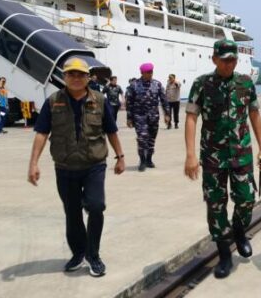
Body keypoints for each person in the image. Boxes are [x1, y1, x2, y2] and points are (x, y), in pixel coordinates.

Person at [26, 57, 126, 277]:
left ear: (88, 78)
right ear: (64, 77)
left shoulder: (99, 100)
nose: (76, 78)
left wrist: (120, 156)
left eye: (81, 74)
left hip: (94, 165)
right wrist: (33, 163)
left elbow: (111, 130)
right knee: (72, 213)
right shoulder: (53, 102)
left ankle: (94, 255)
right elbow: (42, 133)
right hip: (65, 167)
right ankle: (79, 253)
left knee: (96, 206)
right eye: (71, 74)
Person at [184, 39, 261, 279]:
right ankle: (224, 253)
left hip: (241, 154)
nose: (229, 64)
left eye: (233, 59)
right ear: (214, 59)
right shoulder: (202, 84)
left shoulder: (245, 83)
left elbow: (254, 114)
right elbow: (191, 118)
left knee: (246, 199)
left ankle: (239, 230)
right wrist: (190, 155)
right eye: (224, 60)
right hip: (213, 157)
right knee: (215, 204)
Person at [126, 63, 170, 171]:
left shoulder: (157, 84)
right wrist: (129, 118)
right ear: (142, 73)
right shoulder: (134, 85)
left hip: (153, 117)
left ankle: (149, 159)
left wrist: (167, 114)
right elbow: (129, 102)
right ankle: (142, 161)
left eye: (151, 72)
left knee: (151, 139)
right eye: (148, 72)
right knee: (142, 139)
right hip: (139, 117)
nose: (150, 74)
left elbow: (164, 100)